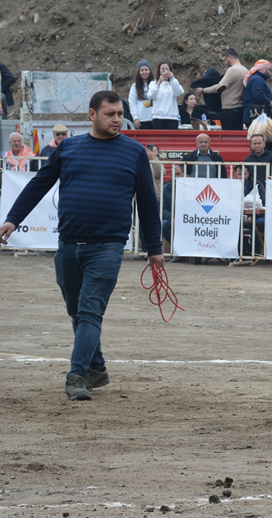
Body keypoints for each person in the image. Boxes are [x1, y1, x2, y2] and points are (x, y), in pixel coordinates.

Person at [0, 90, 163, 401]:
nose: (117, 119)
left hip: (108, 248)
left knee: (89, 312)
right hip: (69, 246)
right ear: (92, 115)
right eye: (110, 114)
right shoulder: (69, 148)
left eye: (120, 114)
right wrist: (13, 219)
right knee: (77, 312)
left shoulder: (135, 152)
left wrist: (154, 248)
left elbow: (147, 202)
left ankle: (76, 377)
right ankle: (97, 368)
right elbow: (38, 184)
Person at [206, 49, 248, 131]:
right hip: (240, 109)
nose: (225, 63)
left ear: (229, 57)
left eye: (225, 59)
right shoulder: (245, 70)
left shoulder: (232, 70)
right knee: (237, 137)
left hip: (229, 109)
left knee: (227, 137)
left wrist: (204, 90)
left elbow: (220, 86)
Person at [241, 59, 272, 126]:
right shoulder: (257, 80)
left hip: (257, 118)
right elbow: (259, 95)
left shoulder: (257, 79)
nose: (270, 72)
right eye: (269, 69)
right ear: (262, 69)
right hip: (256, 118)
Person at [243, 133, 272, 202]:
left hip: (270, 192)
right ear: (251, 145)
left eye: (259, 143)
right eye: (254, 144)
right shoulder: (247, 160)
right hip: (252, 194)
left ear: (264, 144)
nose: (257, 146)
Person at [147, 61, 183, 129]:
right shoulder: (153, 83)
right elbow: (151, 95)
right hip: (158, 117)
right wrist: (159, 82)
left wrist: (172, 79)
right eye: (162, 68)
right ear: (159, 71)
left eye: (167, 68)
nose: (165, 70)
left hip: (172, 117)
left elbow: (179, 92)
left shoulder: (174, 82)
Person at [128, 60, 154, 129]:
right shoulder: (134, 86)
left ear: (150, 71)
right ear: (139, 72)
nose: (144, 72)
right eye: (142, 70)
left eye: (146, 70)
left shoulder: (155, 84)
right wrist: (135, 117)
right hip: (142, 120)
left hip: (155, 119)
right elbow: (132, 103)